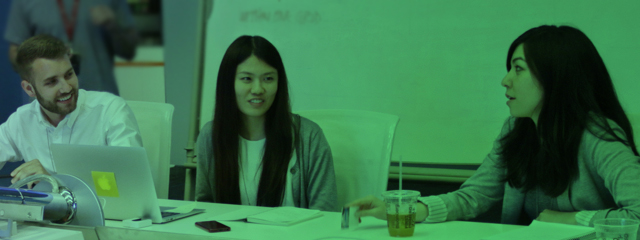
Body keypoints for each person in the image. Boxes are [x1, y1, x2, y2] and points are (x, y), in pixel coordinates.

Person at [349, 25, 640, 226]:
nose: (505, 80)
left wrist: (567, 218)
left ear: (554, 78)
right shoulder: (517, 129)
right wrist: (401, 209)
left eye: (518, 68)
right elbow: (473, 196)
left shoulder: (600, 136)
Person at [195, 35, 338, 211]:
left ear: (279, 83)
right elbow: (204, 208)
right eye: (246, 78)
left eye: (268, 79)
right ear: (228, 83)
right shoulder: (211, 135)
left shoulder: (309, 137)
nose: (257, 89)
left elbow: (325, 211)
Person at [0, 34, 142, 187]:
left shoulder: (110, 110)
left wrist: (54, 183)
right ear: (29, 89)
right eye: (52, 82)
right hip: (48, 212)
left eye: (69, 75)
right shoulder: (22, 120)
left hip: (109, 210)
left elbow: (131, 183)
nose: (66, 88)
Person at [4, 0, 138, 95]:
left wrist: (112, 24)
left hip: (100, 99)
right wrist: (45, 57)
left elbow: (129, 51)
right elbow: (15, 52)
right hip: (49, 106)